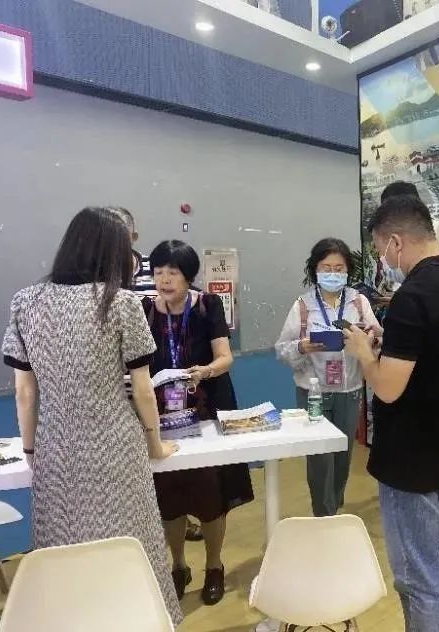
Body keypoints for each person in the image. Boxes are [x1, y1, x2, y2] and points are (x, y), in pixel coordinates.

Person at [1, 207, 183, 625]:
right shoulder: (121, 302)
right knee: (131, 547)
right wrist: (155, 444)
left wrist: (31, 449)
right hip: (117, 447)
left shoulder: (26, 301)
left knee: (64, 550)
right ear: (114, 252)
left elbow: (25, 392)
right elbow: (142, 390)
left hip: (56, 448)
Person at [343, 194, 439, 632]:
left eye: (381, 250)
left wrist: (364, 354)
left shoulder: (413, 295)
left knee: (418, 574)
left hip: (410, 459)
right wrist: (389, 344)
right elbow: (438, 353)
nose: (383, 260)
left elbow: (387, 389)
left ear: (396, 242)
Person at [143, 240, 254, 606]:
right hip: (162, 419)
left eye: (172, 272)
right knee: (168, 497)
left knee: (210, 495)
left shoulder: (208, 305)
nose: (164, 279)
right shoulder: (145, 310)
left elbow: (225, 357)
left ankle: (214, 566)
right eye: (158, 272)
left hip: (206, 414)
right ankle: (178, 566)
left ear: (188, 276)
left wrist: (203, 371)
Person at [110, 206, 203, 542]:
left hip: (155, 385)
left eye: (120, 236)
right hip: (115, 392)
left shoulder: (155, 269)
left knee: (168, 459)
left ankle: (176, 522)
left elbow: (181, 306)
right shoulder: (98, 279)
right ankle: (139, 530)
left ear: (132, 236)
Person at [275, 238, 382, 517]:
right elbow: (282, 349)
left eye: (339, 268)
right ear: (315, 270)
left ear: (347, 271)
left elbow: (377, 337)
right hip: (313, 391)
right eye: (326, 268)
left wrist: (369, 339)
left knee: (343, 454)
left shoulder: (358, 302)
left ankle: (333, 504)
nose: (333, 274)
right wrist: (302, 346)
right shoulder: (302, 306)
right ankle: (324, 514)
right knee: (320, 456)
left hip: (350, 390)